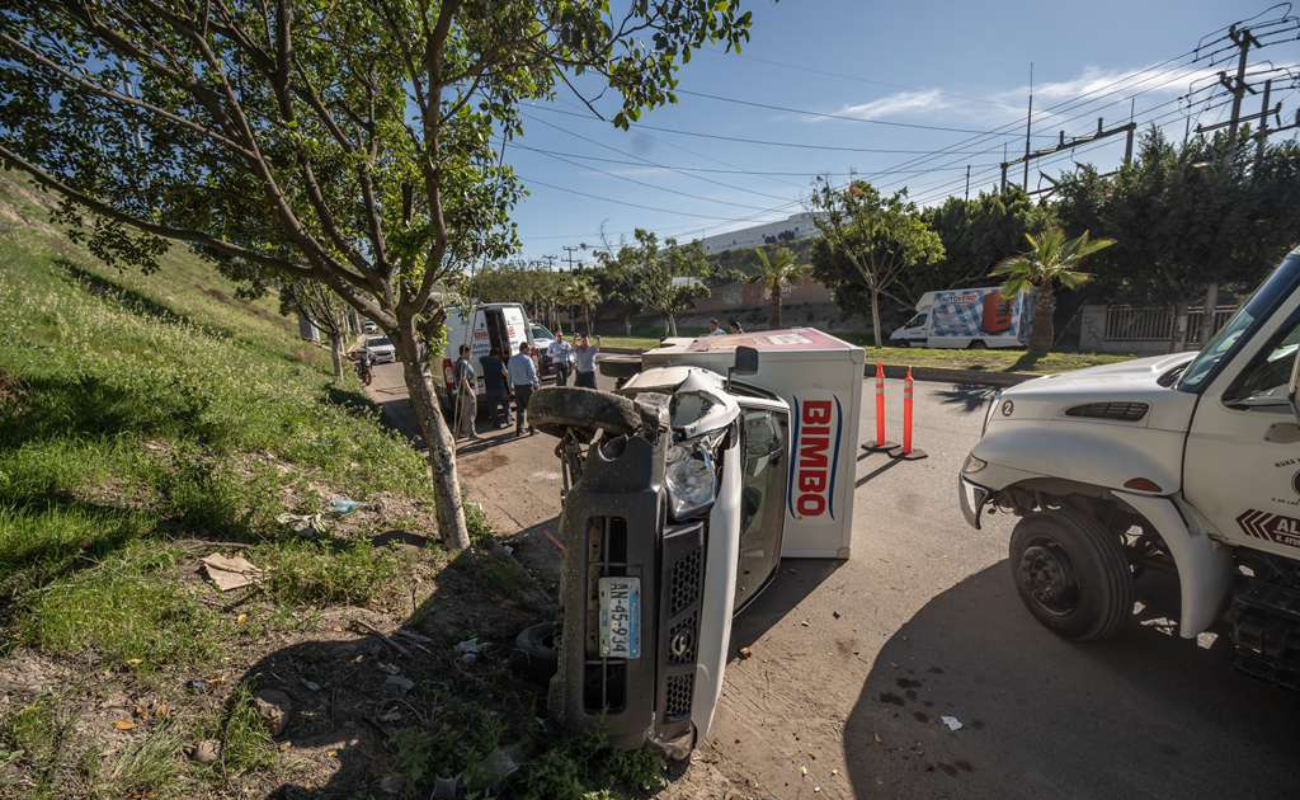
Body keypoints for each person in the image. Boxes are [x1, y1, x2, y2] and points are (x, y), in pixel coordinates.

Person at [508, 341, 540, 436]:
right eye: (529, 349)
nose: (530, 351)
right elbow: (532, 374)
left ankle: (519, 430)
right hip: (527, 388)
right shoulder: (527, 359)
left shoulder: (511, 359)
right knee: (531, 409)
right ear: (525, 349)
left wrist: (510, 386)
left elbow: (509, 375)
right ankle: (532, 429)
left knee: (520, 410)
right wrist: (536, 384)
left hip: (517, 388)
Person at [480, 346, 511, 429]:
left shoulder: (484, 360)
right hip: (500, 387)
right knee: (505, 404)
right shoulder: (499, 362)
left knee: (493, 408)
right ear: (497, 355)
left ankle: (496, 424)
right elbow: (505, 373)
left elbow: (481, 358)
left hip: (489, 388)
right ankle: (509, 420)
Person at [454, 345, 480, 441]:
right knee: (470, 413)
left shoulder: (460, 362)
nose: (471, 355)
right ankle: (472, 434)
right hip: (466, 392)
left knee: (465, 413)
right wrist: (470, 392)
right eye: (470, 352)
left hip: (464, 392)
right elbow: (464, 379)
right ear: (465, 353)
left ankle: (464, 432)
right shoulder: (463, 363)